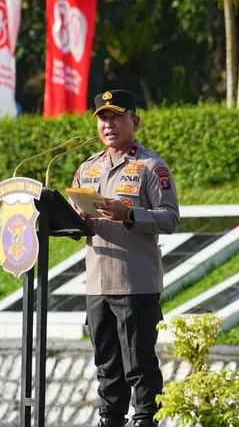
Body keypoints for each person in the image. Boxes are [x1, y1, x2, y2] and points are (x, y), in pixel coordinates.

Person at [71, 89, 180, 427]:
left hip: (135, 285)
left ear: (135, 121)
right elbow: (73, 219)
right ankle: (110, 421)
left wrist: (129, 214)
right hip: (97, 284)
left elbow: (170, 219)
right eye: (103, 118)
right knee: (106, 367)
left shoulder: (151, 166)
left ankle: (146, 421)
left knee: (140, 365)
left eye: (116, 117)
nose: (109, 124)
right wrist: (79, 221)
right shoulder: (87, 168)